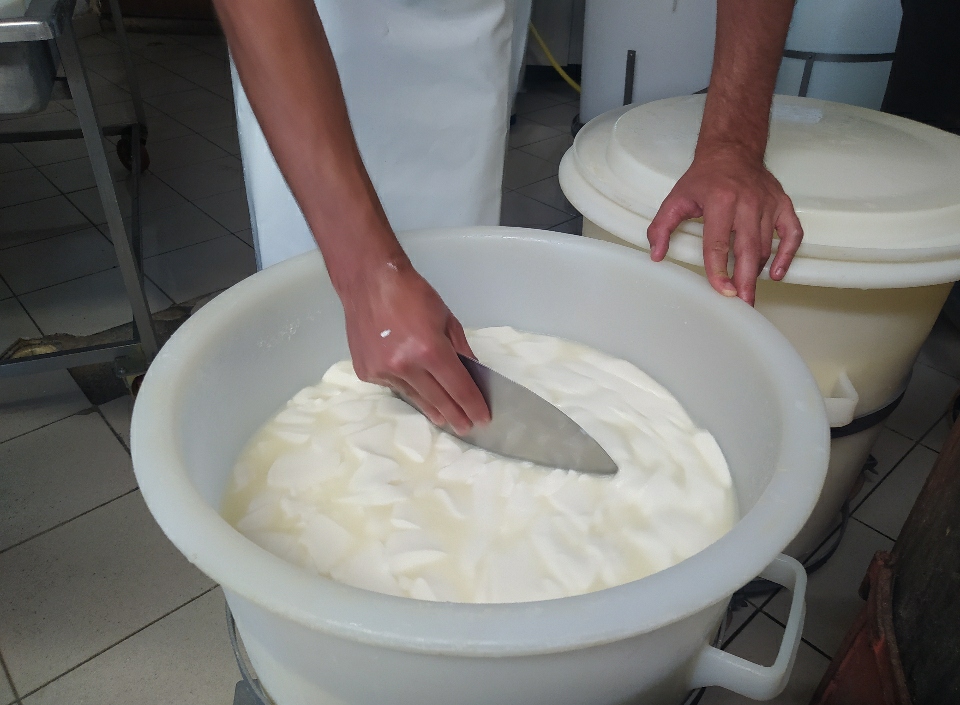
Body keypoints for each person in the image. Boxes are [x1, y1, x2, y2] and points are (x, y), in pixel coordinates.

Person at [214, 0, 802, 436]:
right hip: (307, 38)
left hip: (464, 28)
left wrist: (732, 142)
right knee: (318, 334)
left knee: (455, 312)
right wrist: (367, 274)